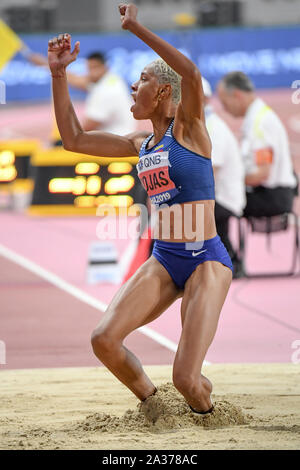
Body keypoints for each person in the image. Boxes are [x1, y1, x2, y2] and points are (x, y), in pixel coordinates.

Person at [48, 3, 233, 414]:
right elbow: (74, 139)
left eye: (142, 80)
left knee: (186, 379)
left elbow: (191, 75)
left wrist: (135, 27)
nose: (134, 87)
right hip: (165, 259)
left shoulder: (191, 131)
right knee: (104, 340)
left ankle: (209, 416)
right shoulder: (139, 144)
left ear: (164, 91)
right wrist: (58, 75)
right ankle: (156, 408)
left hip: (205, 259)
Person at [217, 71, 297, 217]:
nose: (224, 108)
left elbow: (261, 174)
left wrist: (230, 179)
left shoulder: (258, 124)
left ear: (237, 95)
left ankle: (224, 241)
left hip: (271, 197)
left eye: (224, 102)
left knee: (219, 203)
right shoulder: (258, 115)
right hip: (274, 193)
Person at [22, 46, 136, 135]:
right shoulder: (110, 80)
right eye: (89, 69)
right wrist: (46, 64)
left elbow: (85, 128)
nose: (91, 72)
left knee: (66, 144)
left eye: (95, 68)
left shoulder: (107, 91)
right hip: (118, 137)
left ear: (105, 67)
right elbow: (75, 80)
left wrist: (62, 138)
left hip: (116, 144)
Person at [202, 77, 245, 276]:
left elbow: (210, 174)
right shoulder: (200, 126)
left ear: (204, 100)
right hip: (214, 194)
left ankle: (230, 259)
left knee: (180, 208)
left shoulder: (213, 128)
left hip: (224, 198)